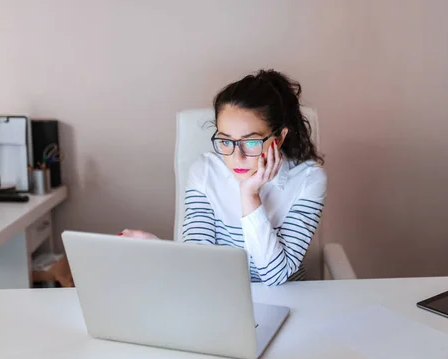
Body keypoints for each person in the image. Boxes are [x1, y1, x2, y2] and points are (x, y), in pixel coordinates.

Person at [123, 69, 326, 286]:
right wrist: (158, 247)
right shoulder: (205, 171)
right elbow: (198, 263)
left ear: (279, 138)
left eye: (250, 142)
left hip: (291, 298)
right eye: (226, 141)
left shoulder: (308, 179)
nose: (236, 157)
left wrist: (249, 195)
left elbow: (274, 275)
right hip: (224, 295)